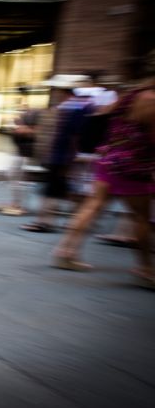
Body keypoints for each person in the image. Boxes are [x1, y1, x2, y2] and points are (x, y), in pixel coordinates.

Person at [53, 77, 155, 283]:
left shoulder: (129, 96)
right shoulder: (150, 99)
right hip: (133, 166)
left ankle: (66, 252)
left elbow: (101, 117)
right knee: (141, 217)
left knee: (92, 206)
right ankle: (146, 268)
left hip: (110, 159)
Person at [21, 74, 93, 232]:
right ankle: (82, 217)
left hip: (62, 154)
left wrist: (73, 155)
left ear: (64, 90)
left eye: (57, 90)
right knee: (63, 188)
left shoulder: (75, 107)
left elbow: (75, 134)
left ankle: (45, 221)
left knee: (54, 188)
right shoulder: (77, 106)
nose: (55, 93)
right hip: (60, 154)